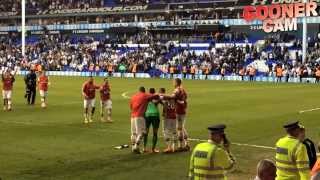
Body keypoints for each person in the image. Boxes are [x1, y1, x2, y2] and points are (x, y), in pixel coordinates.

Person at [130, 86, 158, 154]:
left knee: (133, 133)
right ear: (144, 91)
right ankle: (136, 146)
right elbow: (155, 95)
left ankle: (133, 147)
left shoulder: (133, 96)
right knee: (142, 132)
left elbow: (131, 106)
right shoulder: (144, 95)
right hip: (140, 116)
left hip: (132, 116)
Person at [159, 88, 177, 153]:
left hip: (167, 117)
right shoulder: (174, 99)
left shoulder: (165, 99)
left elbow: (161, 100)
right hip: (174, 117)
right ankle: (174, 147)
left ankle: (169, 147)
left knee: (165, 131)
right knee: (174, 131)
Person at [143, 88, 160, 153]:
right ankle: (153, 149)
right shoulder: (156, 97)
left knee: (146, 132)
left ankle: (144, 148)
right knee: (155, 133)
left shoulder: (146, 97)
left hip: (147, 115)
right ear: (154, 92)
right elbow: (157, 102)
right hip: (155, 115)